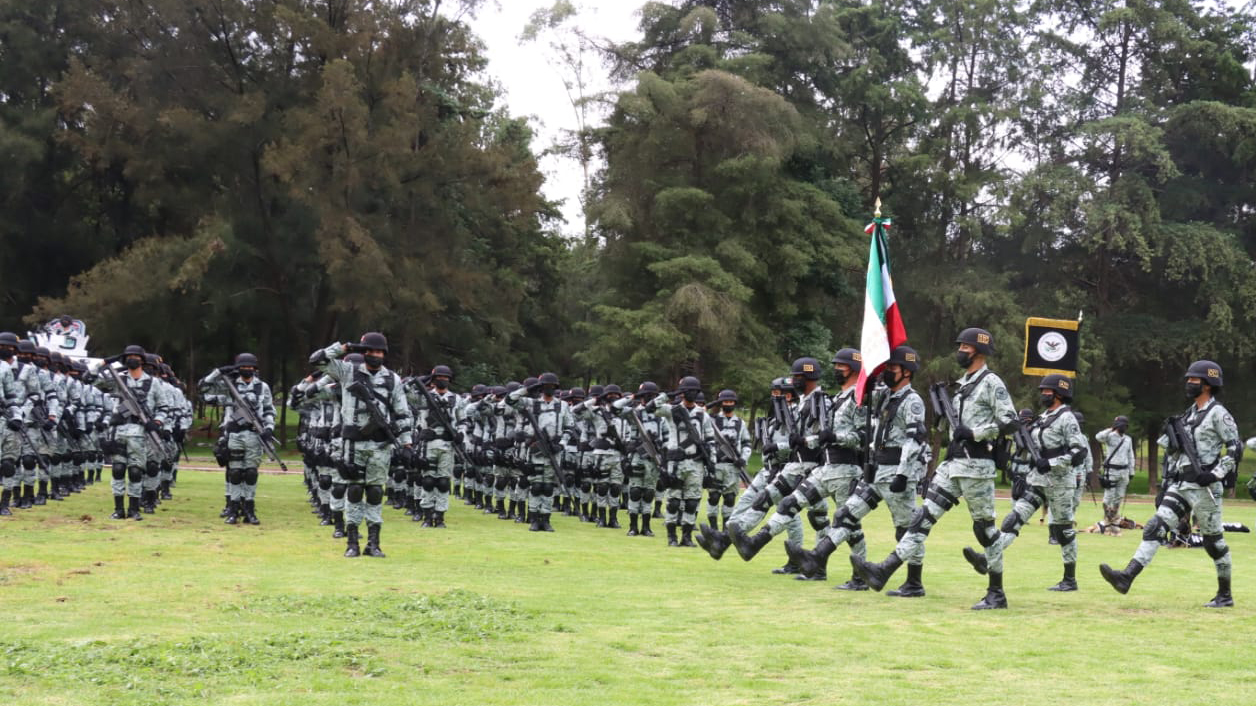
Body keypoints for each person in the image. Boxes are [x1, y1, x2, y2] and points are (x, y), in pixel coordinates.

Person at [851, 327, 1017, 609]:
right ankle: (886, 569)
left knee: (985, 531)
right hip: (952, 465)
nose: (960, 351)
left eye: (964, 347)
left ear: (977, 350)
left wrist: (975, 432)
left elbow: (1010, 421)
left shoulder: (991, 383)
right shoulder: (963, 384)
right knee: (922, 518)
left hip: (977, 466)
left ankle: (996, 592)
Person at [1099, 360, 1241, 607]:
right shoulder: (1188, 414)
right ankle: (1126, 577)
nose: (1188, 383)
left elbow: (1234, 448)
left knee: (1214, 543)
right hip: (1181, 484)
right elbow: (1176, 451)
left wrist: (1217, 473)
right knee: (1154, 526)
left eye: (1193, 380)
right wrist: (1168, 480)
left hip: (1205, 487)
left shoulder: (1219, 414)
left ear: (1207, 384)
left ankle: (1225, 594)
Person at [788, 346, 926, 594]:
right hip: (876, 471)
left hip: (897, 471)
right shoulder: (886, 397)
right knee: (845, 515)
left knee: (905, 529)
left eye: (892, 368)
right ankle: (816, 557)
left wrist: (904, 474)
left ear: (907, 372)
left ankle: (914, 582)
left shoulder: (912, 400)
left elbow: (913, 440)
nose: (887, 373)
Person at [963, 374, 1085, 591]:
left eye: (1047, 391)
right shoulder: (1043, 417)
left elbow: (1078, 452)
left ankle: (1070, 579)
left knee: (1063, 530)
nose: (1043, 395)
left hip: (1060, 483)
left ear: (1059, 393)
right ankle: (986, 558)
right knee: (1013, 519)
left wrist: (1052, 462)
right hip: (1037, 481)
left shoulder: (1067, 419)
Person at [310, 334, 414, 557]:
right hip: (353, 445)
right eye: (371, 351)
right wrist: (343, 347)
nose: (375, 355)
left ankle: (374, 543)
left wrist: (406, 444)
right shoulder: (347, 372)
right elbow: (317, 360)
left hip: (380, 446)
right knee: (355, 492)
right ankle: (352, 542)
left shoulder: (392, 379)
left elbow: (403, 413)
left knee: (375, 492)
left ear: (384, 354)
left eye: (379, 352)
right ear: (364, 352)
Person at [199, 353, 276, 525]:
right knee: (234, 472)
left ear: (255, 369)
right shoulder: (229, 385)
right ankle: (233, 509)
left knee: (250, 473)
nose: (247, 370)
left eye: (250, 367)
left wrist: (269, 428)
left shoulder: (262, 387)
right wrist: (218, 372)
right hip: (234, 434)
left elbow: (269, 409)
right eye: (243, 367)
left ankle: (249, 508)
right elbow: (204, 388)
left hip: (255, 435)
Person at [92, 345, 168, 521]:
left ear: (142, 359)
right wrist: (105, 362)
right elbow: (90, 378)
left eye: (135, 356)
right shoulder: (117, 380)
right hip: (118, 431)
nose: (132, 359)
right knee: (118, 469)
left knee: (135, 471)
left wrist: (156, 422)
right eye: (128, 356)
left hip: (140, 433)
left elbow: (163, 407)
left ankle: (134, 509)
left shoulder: (153, 383)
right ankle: (118, 509)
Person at [646, 376, 717, 547]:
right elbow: (650, 408)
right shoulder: (672, 410)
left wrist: (712, 463)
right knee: (674, 501)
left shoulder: (703, 415)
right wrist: (668, 395)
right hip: (676, 463)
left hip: (696, 463)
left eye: (695, 391)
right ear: (683, 393)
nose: (692, 393)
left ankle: (686, 537)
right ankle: (671, 537)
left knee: (692, 502)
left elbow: (710, 440)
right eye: (688, 391)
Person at [706, 389, 751, 531]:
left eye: (731, 401)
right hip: (716, 465)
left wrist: (743, 459)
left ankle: (726, 529)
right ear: (720, 403)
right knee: (713, 496)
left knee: (730, 498)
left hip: (733, 467)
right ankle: (713, 528)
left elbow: (746, 443)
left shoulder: (740, 423)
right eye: (725, 401)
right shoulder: (711, 420)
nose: (728, 404)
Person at [1095, 415, 1135, 532]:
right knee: (1108, 497)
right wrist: (1111, 429)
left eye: (1124, 425)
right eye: (1120, 425)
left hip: (1124, 471)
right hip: (1111, 471)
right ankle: (1107, 520)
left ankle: (1114, 520)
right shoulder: (1110, 436)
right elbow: (1098, 437)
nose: (1122, 427)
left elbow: (1130, 455)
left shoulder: (1128, 439)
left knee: (1119, 497)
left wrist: (1131, 471)